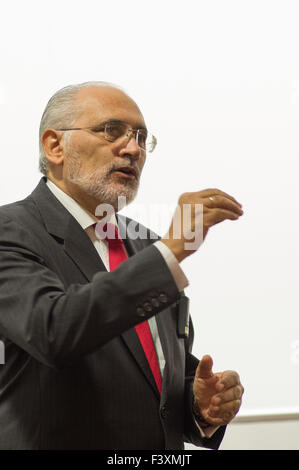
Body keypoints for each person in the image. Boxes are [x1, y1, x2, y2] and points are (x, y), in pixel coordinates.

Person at [0, 81, 244, 450]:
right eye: (111, 130)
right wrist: (171, 250)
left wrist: (199, 404)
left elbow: (148, 377)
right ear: (55, 146)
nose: (132, 148)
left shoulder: (146, 244)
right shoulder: (13, 231)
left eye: (141, 137)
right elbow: (53, 331)